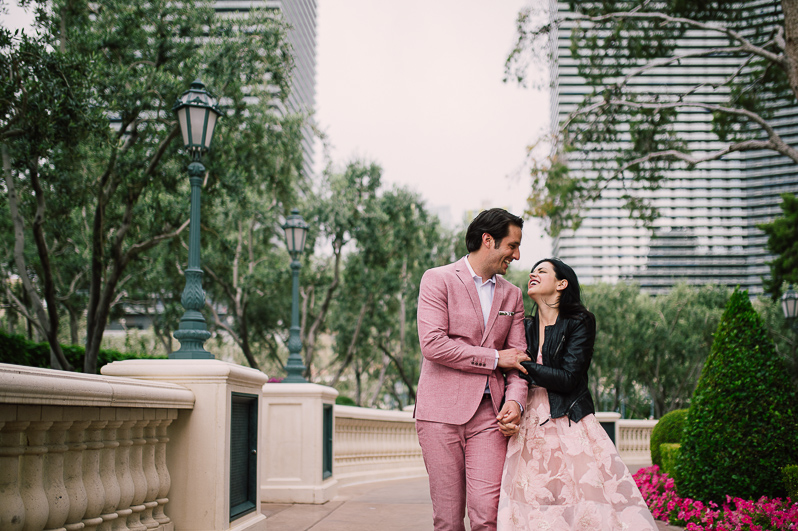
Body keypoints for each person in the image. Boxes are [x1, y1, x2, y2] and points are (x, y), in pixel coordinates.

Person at [496, 258, 657, 530]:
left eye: (542, 271)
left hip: (569, 419)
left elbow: (569, 378)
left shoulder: (580, 321)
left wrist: (521, 364)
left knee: (583, 504)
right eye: (533, 271)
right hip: (528, 423)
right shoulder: (524, 325)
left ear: (562, 283)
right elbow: (510, 375)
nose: (533, 274)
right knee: (532, 503)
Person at [415, 208, 532, 531]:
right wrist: (494, 358)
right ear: (488, 240)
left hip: (490, 417)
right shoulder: (437, 279)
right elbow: (433, 345)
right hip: (439, 416)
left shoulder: (513, 295)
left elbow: (518, 361)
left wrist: (516, 402)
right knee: (448, 519)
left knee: (488, 516)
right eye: (512, 245)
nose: (517, 255)